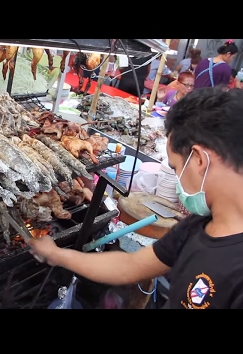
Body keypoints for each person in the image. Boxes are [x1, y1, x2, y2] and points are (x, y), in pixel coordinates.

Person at [28, 87, 243, 309]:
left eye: (176, 167)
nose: (177, 177)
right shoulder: (196, 227)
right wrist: (57, 255)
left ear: (198, 160)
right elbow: (131, 265)